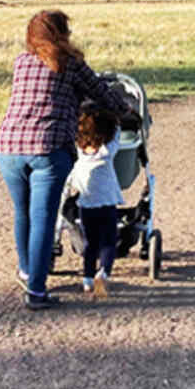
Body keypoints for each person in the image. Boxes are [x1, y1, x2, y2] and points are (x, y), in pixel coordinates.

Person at [0, 10, 130, 310]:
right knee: (42, 218)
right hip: (48, 148)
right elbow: (103, 95)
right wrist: (123, 110)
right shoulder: (71, 65)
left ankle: (28, 270)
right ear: (63, 33)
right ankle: (36, 292)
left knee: (23, 212)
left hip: (8, 148)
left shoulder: (21, 62)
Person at [67, 101, 124, 299]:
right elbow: (117, 135)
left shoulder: (79, 154)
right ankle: (104, 272)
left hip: (86, 204)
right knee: (109, 240)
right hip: (107, 202)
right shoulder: (107, 152)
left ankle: (87, 279)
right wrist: (118, 119)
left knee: (90, 243)